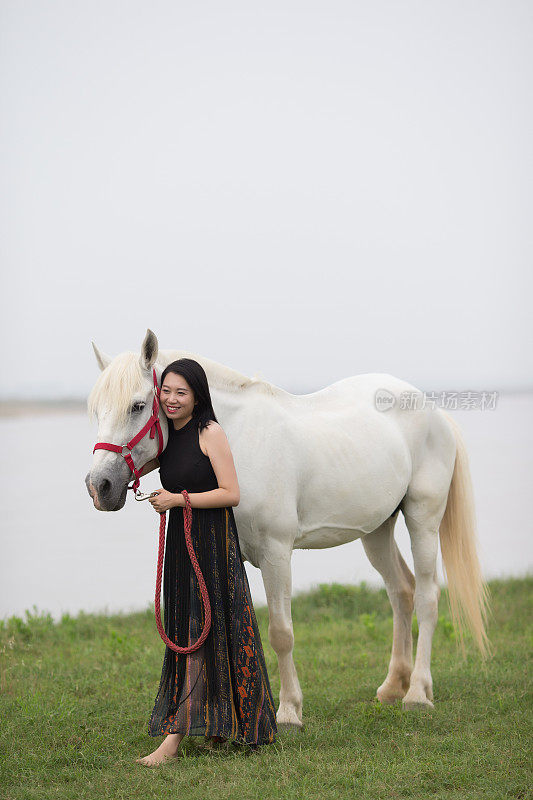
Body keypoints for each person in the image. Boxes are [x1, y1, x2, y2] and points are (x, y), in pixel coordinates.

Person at [135, 358, 277, 766]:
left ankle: (173, 742)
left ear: (198, 395)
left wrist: (179, 500)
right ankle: (215, 723)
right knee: (188, 631)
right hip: (182, 545)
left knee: (208, 631)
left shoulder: (209, 432)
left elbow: (231, 493)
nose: (172, 399)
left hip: (212, 544)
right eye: (166, 391)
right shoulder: (167, 437)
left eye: (181, 392)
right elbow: (143, 463)